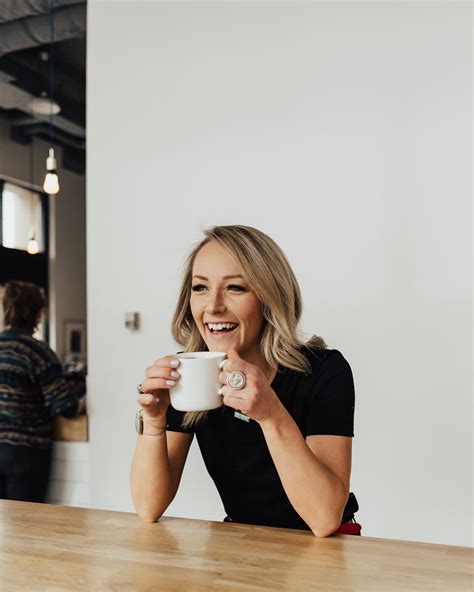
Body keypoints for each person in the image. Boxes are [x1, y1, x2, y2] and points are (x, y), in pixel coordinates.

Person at [131, 225, 359, 537]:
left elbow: (324, 519)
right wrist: (154, 424)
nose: (213, 306)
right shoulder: (189, 372)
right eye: (200, 288)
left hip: (326, 548)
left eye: (235, 288)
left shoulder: (323, 371)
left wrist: (270, 414)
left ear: (269, 296)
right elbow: (148, 506)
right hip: (242, 542)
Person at [0, 281, 85, 503]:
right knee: (27, 526)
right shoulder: (39, 353)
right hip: (25, 455)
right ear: (39, 313)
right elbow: (65, 407)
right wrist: (82, 403)